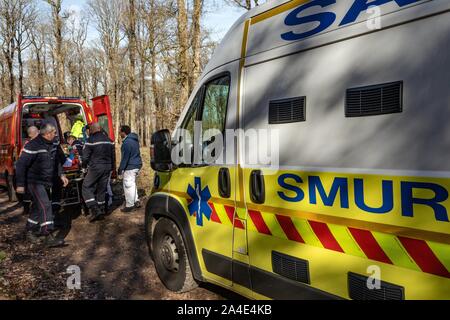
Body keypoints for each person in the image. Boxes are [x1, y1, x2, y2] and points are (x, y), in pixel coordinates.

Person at [15, 123, 69, 247]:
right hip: (33, 181)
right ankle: (47, 235)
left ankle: (30, 230)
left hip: (46, 181)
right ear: (47, 134)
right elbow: (21, 165)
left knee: (37, 207)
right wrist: (20, 184)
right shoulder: (33, 145)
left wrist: (62, 175)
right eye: (54, 132)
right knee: (45, 204)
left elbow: (57, 161)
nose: (56, 135)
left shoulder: (54, 143)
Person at [82, 123, 115, 222]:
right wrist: (112, 168)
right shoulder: (109, 140)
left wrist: (83, 166)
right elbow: (113, 156)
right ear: (100, 129)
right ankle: (101, 210)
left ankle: (94, 208)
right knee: (102, 189)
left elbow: (85, 157)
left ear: (91, 130)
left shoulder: (90, 140)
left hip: (96, 167)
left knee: (86, 186)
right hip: (107, 166)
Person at [118, 125, 142, 213]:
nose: (119, 133)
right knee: (132, 184)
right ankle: (136, 201)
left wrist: (121, 169)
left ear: (124, 132)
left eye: (120, 131)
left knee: (128, 185)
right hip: (137, 165)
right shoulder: (134, 140)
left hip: (131, 166)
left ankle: (129, 205)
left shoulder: (127, 142)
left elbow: (125, 158)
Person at [19, 126, 40, 215]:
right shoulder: (29, 144)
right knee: (28, 192)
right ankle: (27, 208)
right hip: (32, 171)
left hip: (34, 171)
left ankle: (28, 209)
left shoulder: (29, 144)